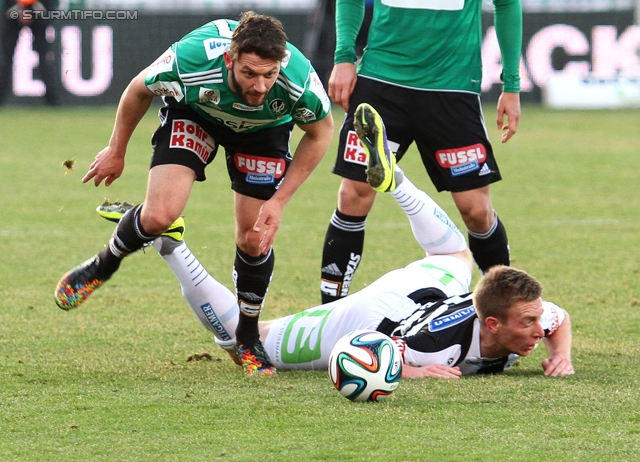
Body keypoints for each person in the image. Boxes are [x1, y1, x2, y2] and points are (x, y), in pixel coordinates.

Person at [93, 104, 573, 378]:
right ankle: (173, 245)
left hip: (434, 289)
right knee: (246, 341)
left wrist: (562, 354)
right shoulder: (433, 346)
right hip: (375, 319)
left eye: (536, 324)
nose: (539, 330)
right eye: (531, 325)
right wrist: (412, 372)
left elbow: (560, 319)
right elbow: (358, 351)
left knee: (454, 253)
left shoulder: (528, 317)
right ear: (492, 323)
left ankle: (397, 182)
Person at [54, 11, 334, 376]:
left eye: (269, 75)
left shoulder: (299, 80)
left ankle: (248, 335)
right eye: (249, 73)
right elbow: (138, 88)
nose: (260, 86)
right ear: (228, 60)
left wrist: (279, 201)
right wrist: (116, 149)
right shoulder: (193, 57)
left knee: (254, 239)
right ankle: (104, 264)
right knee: (158, 216)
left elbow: (321, 133)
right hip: (196, 116)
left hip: (263, 134)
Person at [319, 0, 523, 304]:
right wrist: (344, 57)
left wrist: (512, 83)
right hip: (381, 80)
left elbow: (507, 4)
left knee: (477, 211)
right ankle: (329, 313)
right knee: (352, 195)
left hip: (452, 88)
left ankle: (509, 310)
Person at [0, 0, 58, 105]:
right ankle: (52, 101)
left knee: (44, 59)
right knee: (6, 60)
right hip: (16, 13)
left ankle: (52, 99)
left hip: (36, 14)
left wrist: (28, 12)